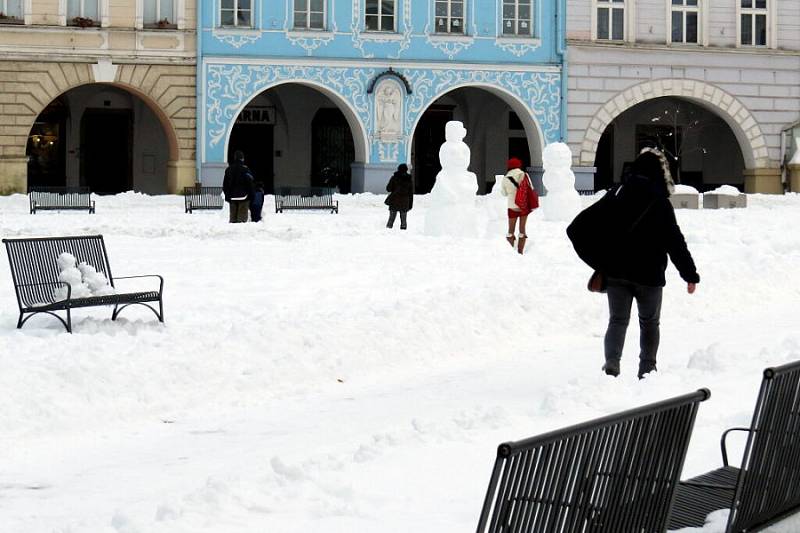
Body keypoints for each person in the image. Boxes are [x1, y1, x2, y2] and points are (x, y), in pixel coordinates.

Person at [567, 147, 700, 379]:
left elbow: (576, 228)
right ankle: (647, 369)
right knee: (650, 323)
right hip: (650, 276)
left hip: (617, 273)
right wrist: (689, 274)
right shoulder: (660, 202)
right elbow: (674, 241)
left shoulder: (617, 194)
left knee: (617, 321)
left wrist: (599, 260)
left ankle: (612, 363)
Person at [501, 157, 532, 254]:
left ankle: (510, 251)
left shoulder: (506, 178)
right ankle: (520, 251)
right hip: (523, 206)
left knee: (511, 230)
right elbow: (531, 187)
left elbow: (504, 193)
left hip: (512, 206)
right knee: (522, 229)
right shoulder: (524, 175)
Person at [223, 150, 254, 223]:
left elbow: (225, 185)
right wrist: (251, 195)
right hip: (244, 197)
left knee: (233, 220)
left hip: (232, 197)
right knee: (241, 221)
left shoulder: (228, 169)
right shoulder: (246, 169)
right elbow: (250, 183)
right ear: (242, 159)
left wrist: (227, 195)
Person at [385, 163, 414, 230]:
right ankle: (403, 235)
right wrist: (410, 204)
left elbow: (388, 189)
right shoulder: (409, 179)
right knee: (403, 221)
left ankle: (387, 233)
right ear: (406, 170)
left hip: (394, 200)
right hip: (405, 201)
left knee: (391, 219)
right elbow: (411, 193)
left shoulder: (394, 178)